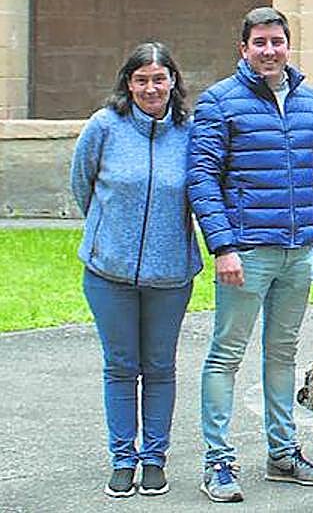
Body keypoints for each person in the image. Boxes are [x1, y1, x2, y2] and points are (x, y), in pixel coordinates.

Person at [188, 7, 313, 503]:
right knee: (226, 356)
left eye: (277, 41)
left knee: (282, 355)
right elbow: (203, 181)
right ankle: (218, 461)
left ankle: (283, 454)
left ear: (287, 45)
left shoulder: (305, 103)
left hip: (298, 252)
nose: (270, 50)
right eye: (260, 42)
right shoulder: (219, 102)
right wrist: (223, 246)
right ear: (244, 48)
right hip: (247, 253)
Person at [70, 43, 202, 498]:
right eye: (141, 79)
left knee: (160, 366)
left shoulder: (190, 132)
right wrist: (111, 234)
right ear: (129, 83)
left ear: (172, 83)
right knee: (121, 366)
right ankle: (123, 458)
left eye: (159, 79)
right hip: (109, 273)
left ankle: (154, 459)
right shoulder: (104, 126)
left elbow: (201, 192)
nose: (150, 88)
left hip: (170, 275)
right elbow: (82, 184)